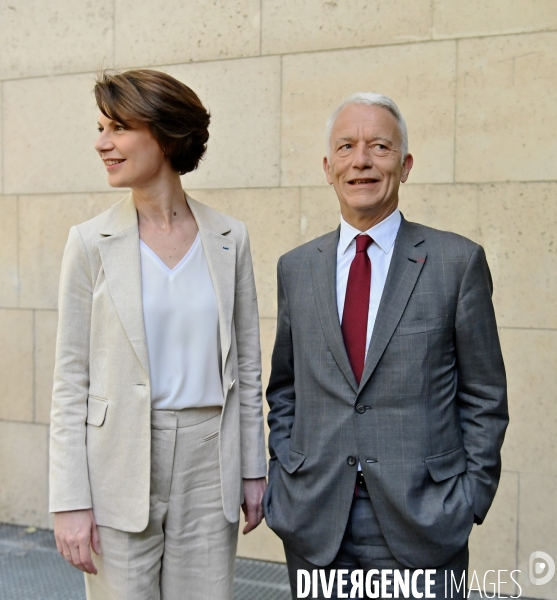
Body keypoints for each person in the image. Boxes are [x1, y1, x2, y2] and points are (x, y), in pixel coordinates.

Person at [263, 92, 508, 599]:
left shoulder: (456, 263)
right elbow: (284, 387)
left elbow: (485, 396)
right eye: (347, 146)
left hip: (423, 520)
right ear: (327, 166)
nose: (362, 161)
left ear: (406, 164)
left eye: (379, 146)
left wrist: (469, 498)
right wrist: (285, 469)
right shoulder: (296, 267)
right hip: (315, 517)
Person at [49, 69, 267, 600]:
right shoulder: (90, 244)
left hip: (209, 462)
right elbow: (69, 382)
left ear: (166, 136)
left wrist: (252, 469)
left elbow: (246, 366)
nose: (102, 144)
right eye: (101, 128)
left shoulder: (228, 238)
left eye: (118, 128)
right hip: (117, 462)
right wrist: (70, 501)